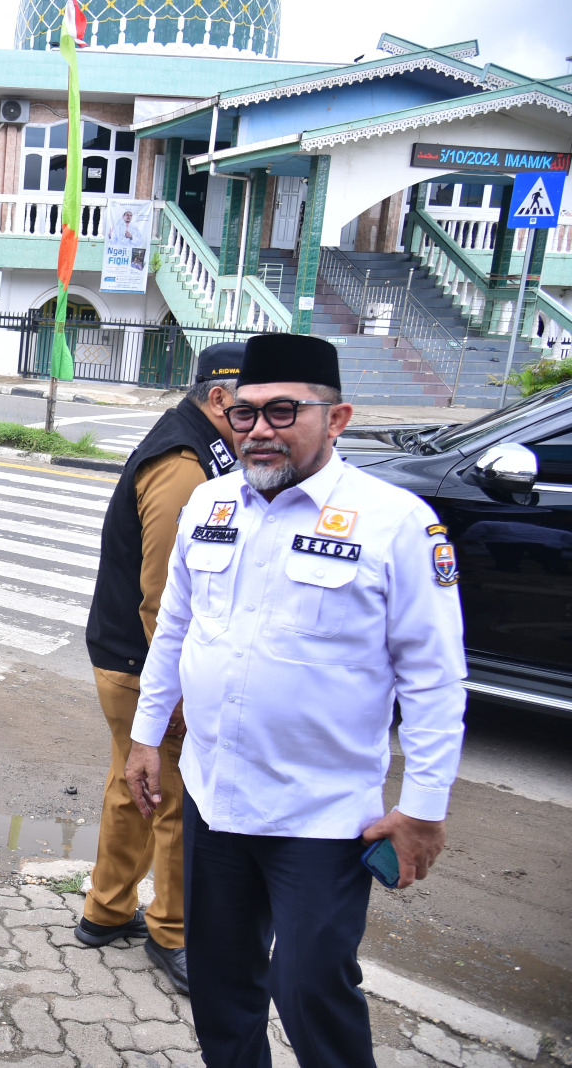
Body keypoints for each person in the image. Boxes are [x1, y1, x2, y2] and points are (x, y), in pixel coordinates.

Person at [126, 333, 466, 1067]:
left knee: (310, 985)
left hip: (323, 816)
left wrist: (425, 808)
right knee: (220, 987)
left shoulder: (396, 521)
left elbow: (435, 679)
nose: (260, 431)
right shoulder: (210, 503)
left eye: (284, 411)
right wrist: (146, 737)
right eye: (245, 414)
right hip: (217, 803)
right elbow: (177, 629)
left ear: (336, 418)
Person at [75, 342, 242, 993]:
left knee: (132, 783)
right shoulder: (183, 465)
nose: (264, 424)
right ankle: (172, 932)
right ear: (221, 397)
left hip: (125, 656)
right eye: (254, 406)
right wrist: (171, 695)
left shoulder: (198, 445)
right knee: (176, 796)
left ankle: (107, 911)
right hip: (142, 663)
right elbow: (163, 596)